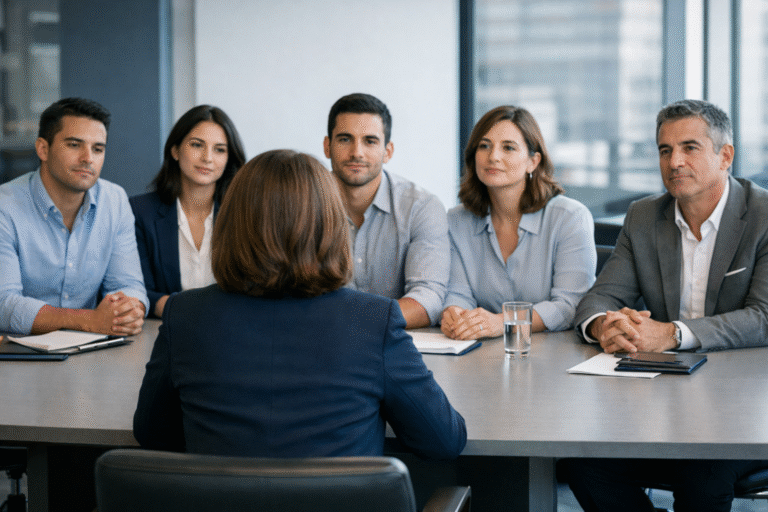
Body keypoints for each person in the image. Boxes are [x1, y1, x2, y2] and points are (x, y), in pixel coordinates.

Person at [133, 149, 467, 461]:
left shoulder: (185, 315)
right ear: (330, 226)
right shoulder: (373, 321)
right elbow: (442, 440)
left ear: (232, 224)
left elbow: (152, 434)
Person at [562, 99, 768, 511]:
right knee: (583, 464)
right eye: (665, 150)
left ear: (725, 156)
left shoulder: (763, 215)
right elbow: (599, 298)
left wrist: (673, 334)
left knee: (701, 474)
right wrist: (606, 325)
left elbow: (762, 318)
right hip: (663, 401)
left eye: (690, 148)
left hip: (747, 406)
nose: (674, 162)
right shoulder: (643, 216)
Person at [440, 105, 596, 340]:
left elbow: (569, 305)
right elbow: (458, 293)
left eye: (508, 147)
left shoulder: (570, 218)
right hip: (481, 351)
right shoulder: (456, 221)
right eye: (484, 146)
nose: (493, 157)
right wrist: (454, 314)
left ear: (533, 161)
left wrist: (503, 322)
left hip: (554, 351)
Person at [0, 97, 148, 335]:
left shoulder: (115, 200)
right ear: (43, 149)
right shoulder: (5, 206)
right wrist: (89, 320)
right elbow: (4, 304)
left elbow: (128, 285)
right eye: (74, 145)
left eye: (98, 149)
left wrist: (130, 311)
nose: (88, 158)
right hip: (16, 350)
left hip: (92, 346)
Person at [323, 93, 449, 329]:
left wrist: (357, 323)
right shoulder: (302, 207)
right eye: (345, 139)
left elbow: (428, 298)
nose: (357, 152)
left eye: (370, 141)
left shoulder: (421, 207)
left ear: (388, 151)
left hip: (396, 341)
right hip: (323, 342)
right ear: (327, 147)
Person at [130, 105, 245, 318]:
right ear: (175, 150)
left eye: (219, 149)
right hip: (162, 329)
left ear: (229, 158)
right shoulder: (140, 212)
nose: (207, 158)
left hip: (229, 328)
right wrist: (189, 312)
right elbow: (136, 291)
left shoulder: (244, 216)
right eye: (197, 145)